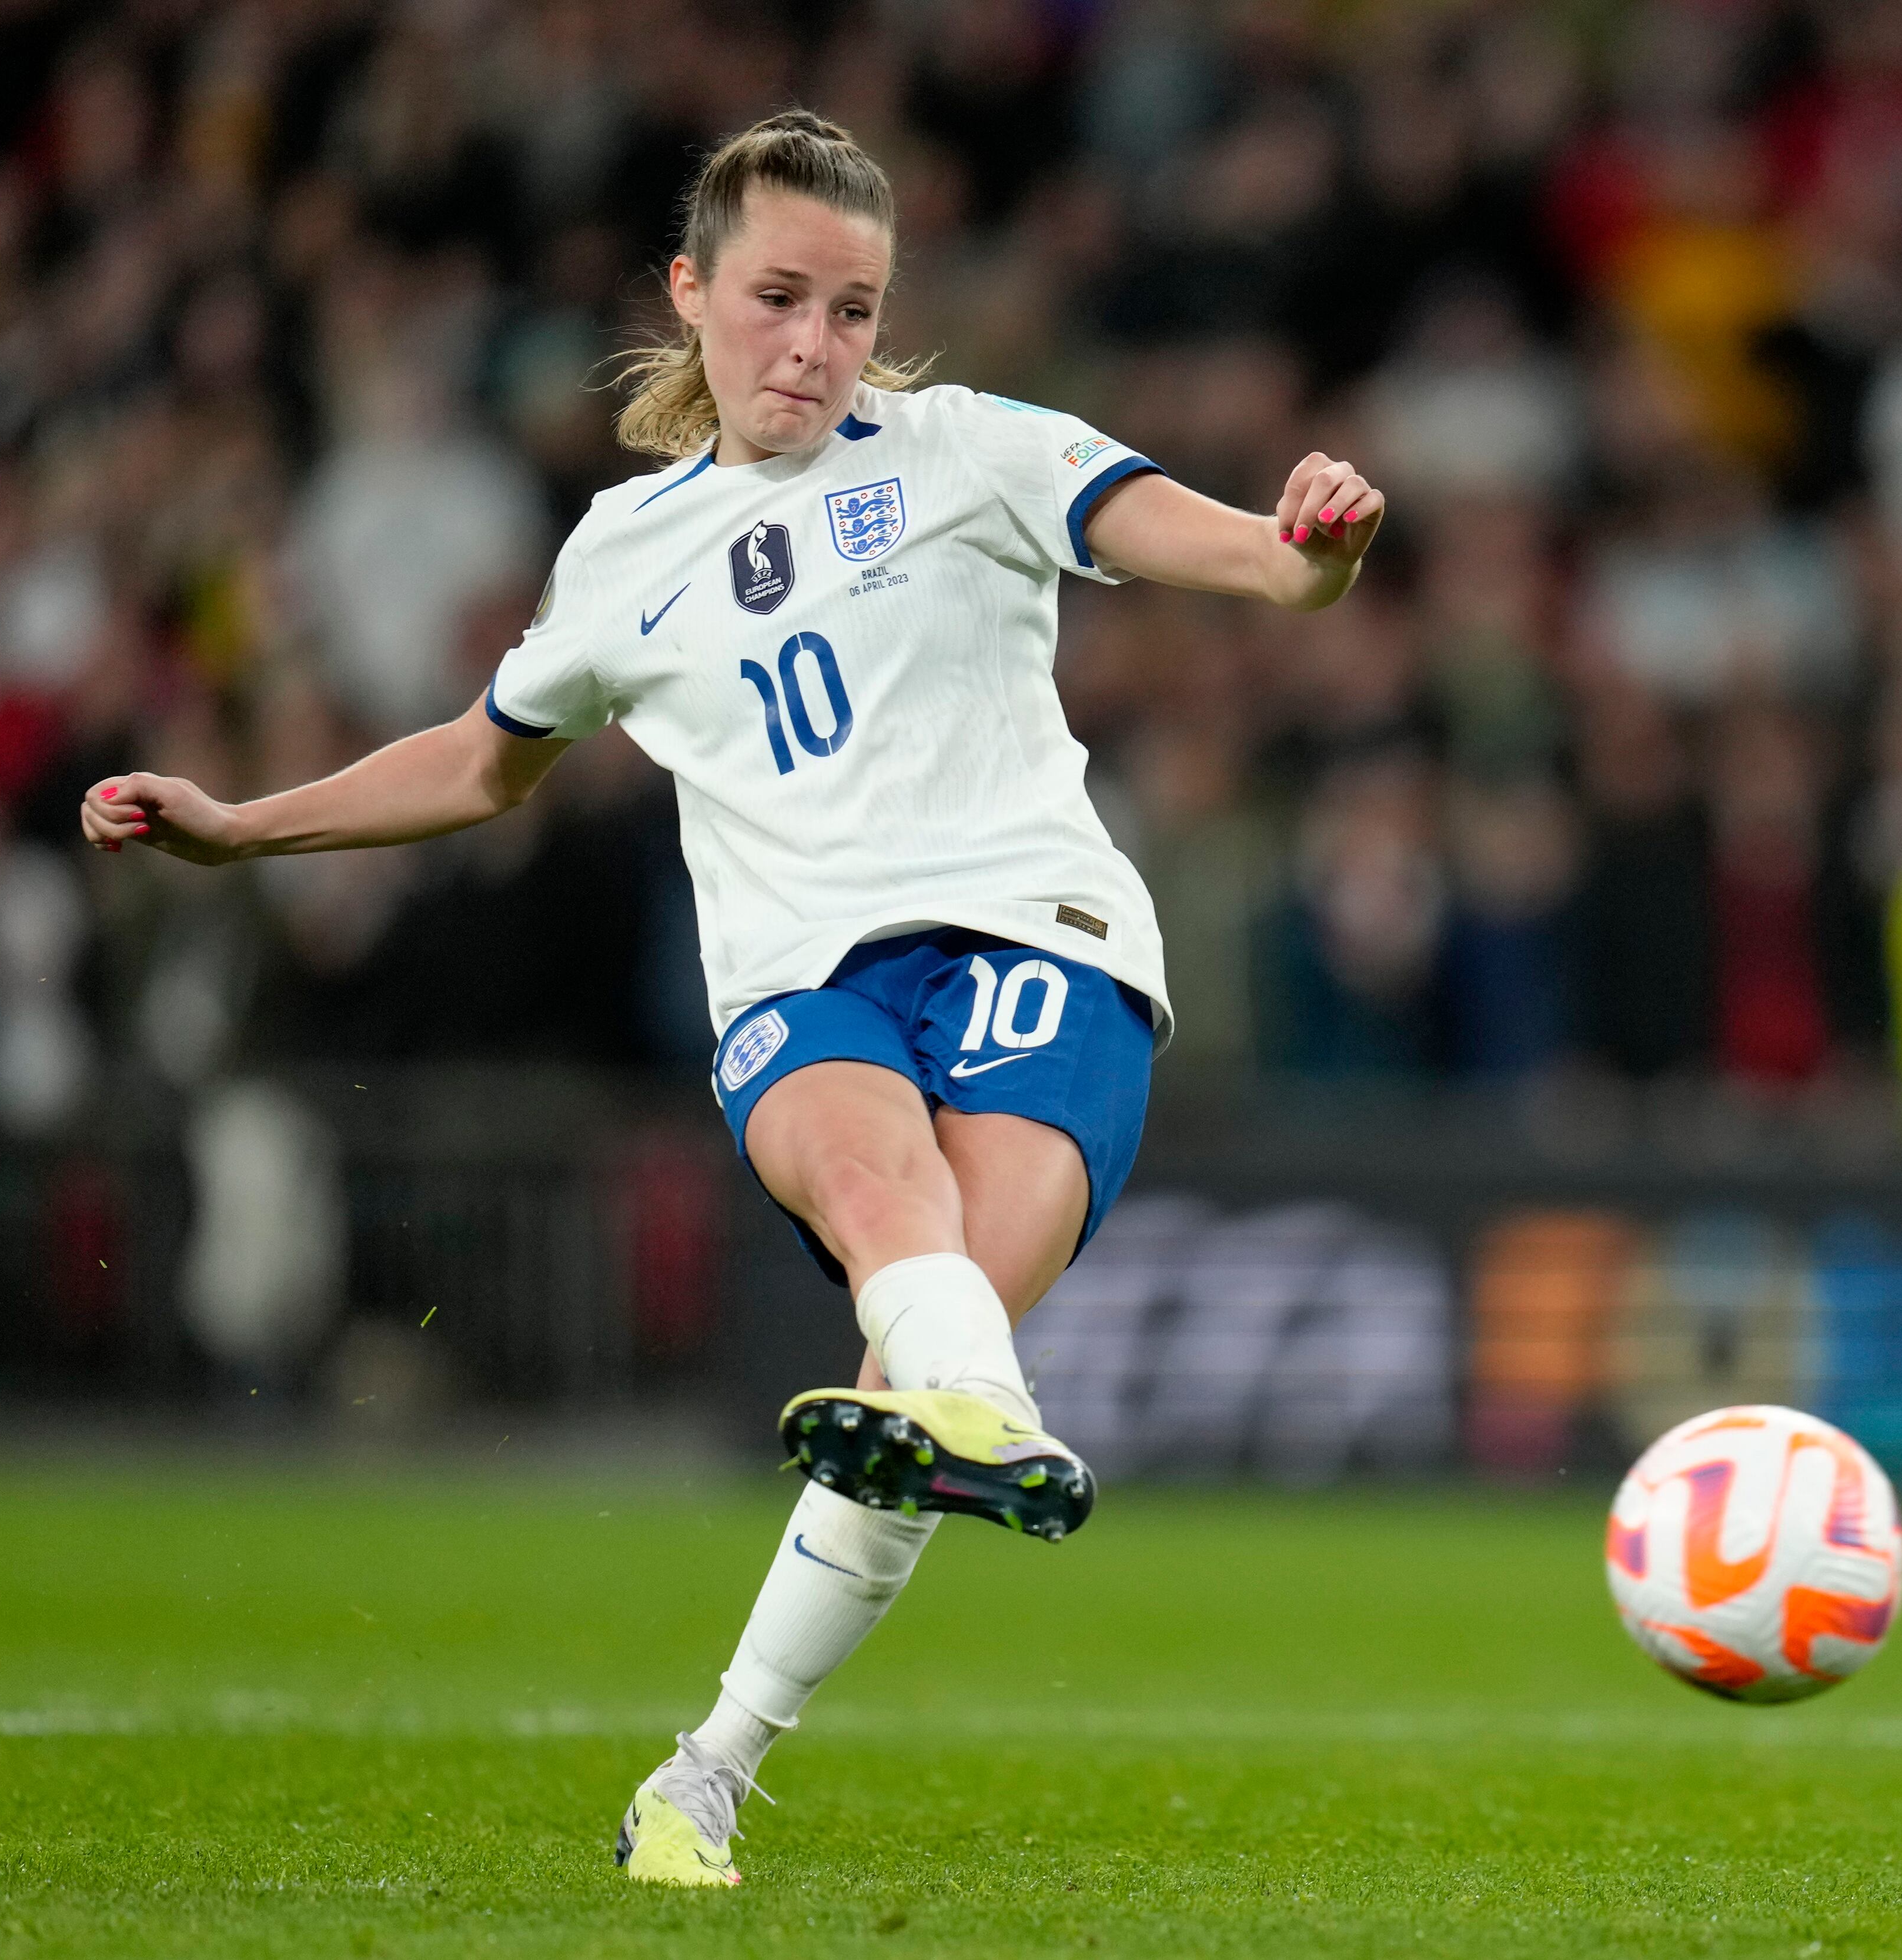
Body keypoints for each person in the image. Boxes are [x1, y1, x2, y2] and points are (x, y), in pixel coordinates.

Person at [78, 110, 1384, 1889]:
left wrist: (1311, 544)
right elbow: (484, 762)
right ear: (691, 294)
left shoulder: (974, 452)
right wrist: (245, 832)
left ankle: (707, 1768)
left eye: (854, 310)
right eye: (779, 297)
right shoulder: (625, 551)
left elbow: (1252, 561)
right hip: (798, 979)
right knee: (883, 1214)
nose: (815, 346)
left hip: (1046, 941)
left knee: (910, 1360)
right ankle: (975, 1422)